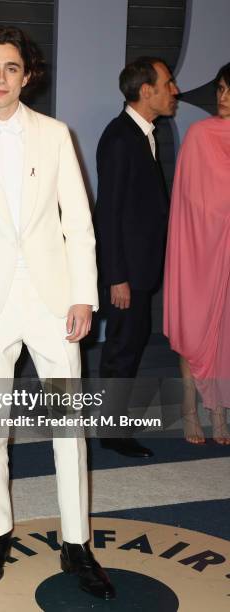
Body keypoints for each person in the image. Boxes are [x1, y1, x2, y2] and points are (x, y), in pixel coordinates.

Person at [0, 27, 115, 600]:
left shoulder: (57, 136)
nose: (1, 77)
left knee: (68, 428)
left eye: (12, 68)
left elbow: (79, 223)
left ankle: (77, 543)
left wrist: (84, 293)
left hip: (54, 301)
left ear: (27, 75)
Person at [95, 57, 178, 458]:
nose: (174, 90)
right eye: (168, 83)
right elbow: (107, 212)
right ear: (147, 91)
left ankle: (112, 426)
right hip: (126, 273)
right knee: (122, 348)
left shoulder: (141, 133)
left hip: (138, 269)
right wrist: (117, 276)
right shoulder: (120, 137)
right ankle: (111, 432)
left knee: (129, 344)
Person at [163, 62, 230, 445]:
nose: (222, 96)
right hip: (197, 249)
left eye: (228, 89)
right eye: (220, 88)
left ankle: (218, 412)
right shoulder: (200, 134)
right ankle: (190, 408)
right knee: (194, 326)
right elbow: (187, 201)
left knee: (224, 331)